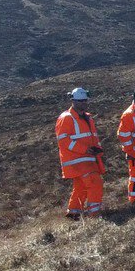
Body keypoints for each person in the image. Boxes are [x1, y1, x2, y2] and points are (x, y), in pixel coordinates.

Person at [54, 87, 105, 220]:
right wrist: (84, 149)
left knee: (81, 186)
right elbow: (63, 140)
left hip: (87, 159)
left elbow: (92, 137)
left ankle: (74, 213)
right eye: (80, 101)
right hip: (77, 160)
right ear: (73, 101)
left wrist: (97, 150)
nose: (83, 103)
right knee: (95, 182)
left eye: (84, 100)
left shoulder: (87, 117)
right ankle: (94, 213)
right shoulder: (66, 118)